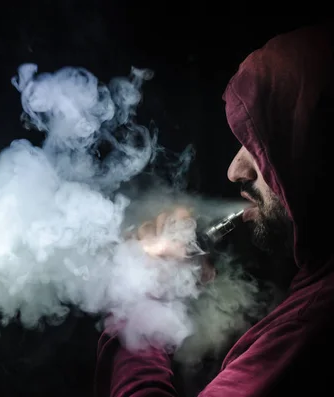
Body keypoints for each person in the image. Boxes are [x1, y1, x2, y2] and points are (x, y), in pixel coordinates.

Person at [94, 24, 334, 396]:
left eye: (260, 145)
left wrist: (140, 305)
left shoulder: (315, 319)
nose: (235, 171)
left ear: (314, 152)